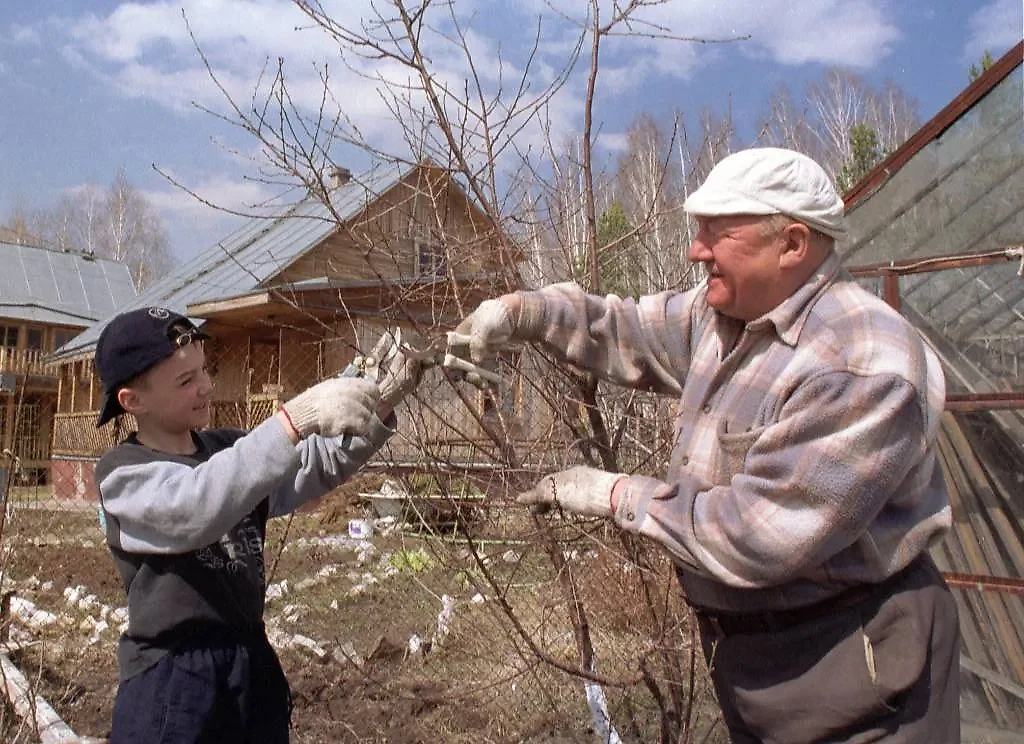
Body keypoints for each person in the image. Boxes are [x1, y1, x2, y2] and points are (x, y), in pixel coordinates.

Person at [451, 148, 960, 743]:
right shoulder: (725, 315)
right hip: (755, 661)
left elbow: (756, 535)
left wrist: (613, 493)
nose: (697, 250)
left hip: (856, 668)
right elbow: (623, 327)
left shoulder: (860, 363)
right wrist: (520, 311)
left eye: (718, 234)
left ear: (792, 244)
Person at [92, 307, 420, 743]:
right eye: (185, 381)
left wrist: (380, 398)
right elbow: (194, 507)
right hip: (171, 679)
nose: (206, 386)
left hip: (249, 664)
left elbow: (314, 461)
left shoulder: (229, 448)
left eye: (204, 371)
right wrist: (291, 421)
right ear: (134, 401)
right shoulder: (123, 473)